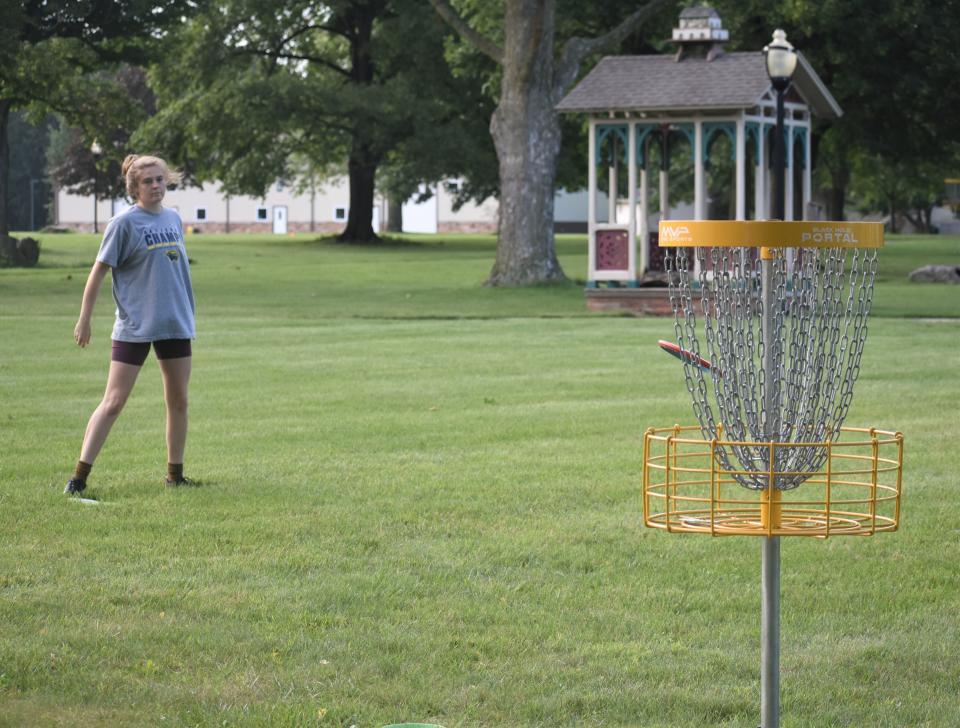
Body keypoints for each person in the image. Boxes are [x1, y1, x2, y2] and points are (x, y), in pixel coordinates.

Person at [65, 154, 197, 494]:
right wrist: (85, 318)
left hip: (175, 322)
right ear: (134, 187)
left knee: (179, 400)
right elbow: (98, 272)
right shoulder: (123, 223)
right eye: (147, 181)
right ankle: (78, 478)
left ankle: (175, 475)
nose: (155, 185)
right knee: (114, 401)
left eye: (159, 179)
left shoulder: (174, 218)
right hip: (135, 325)